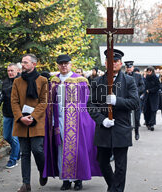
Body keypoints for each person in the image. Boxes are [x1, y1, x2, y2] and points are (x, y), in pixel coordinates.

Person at [43, 54, 101, 191]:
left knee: (78, 150)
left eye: (66, 63)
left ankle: (78, 179)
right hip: (58, 120)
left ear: (70, 64)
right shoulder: (54, 81)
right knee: (61, 148)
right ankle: (66, 180)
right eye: (61, 63)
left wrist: (85, 121)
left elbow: (85, 103)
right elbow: (49, 103)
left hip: (76, 121)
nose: (63, 65)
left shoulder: (80, 80)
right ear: (58, 65)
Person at [87, 49, 139, 192]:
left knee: (121, 165)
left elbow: (135, 103)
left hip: (121, 127)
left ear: (120, 63)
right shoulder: (97, 82)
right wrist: (101, 120)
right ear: (105, 63)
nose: (113, 64)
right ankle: (113, 186)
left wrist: (118, 101)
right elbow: (90, 105)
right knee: (102, 161)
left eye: (115, 61)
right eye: (110, 61)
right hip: (104, 127)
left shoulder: (129, 81)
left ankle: (116, 190)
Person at [11, 54, 49, 192]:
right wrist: (21, 117)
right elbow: (14, 102)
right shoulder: (17, 81)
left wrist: (32, 117)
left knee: (37, 150)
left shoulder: (43, 80)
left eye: (26, 62)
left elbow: (44, 102)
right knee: (24, 153)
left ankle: (42, 171)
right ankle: (25, 184)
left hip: (37, 121)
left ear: (34, 64)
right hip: (21, 122)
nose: (23, 65)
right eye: (22, 62)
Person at [1, 63, 21, 169]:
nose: (10, 72)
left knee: (14, 138)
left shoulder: (21, 81)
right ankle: (17, 151)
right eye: (8, 71)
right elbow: (3, 95)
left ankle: (13, 160)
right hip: (7, 113)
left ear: (17, 70)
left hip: (17, 114)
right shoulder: (5, 82)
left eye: (12, 70)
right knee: (6, 136)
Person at [124, 61, 145, 140]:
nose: (129, 69)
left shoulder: (138, 76)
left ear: (132, 68)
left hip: (135, 99)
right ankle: (127, 133)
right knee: (126, 117)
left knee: (136, 118)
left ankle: (136, 132)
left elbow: (142, 87)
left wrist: (135, 91)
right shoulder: (122, 76)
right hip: (126, 99)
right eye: (127, 68)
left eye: (130, 67)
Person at [142, 66, 160, 131]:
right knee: (146, 110)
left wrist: (150, 90)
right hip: (146, 97)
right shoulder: (145, 78)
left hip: (154, 97)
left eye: (150, 71)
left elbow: (158, 87)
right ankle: (147, 122)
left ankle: (152, 124)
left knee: (153, 111)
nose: (149, 72)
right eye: (148, 71)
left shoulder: (155, 78)